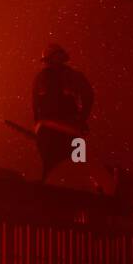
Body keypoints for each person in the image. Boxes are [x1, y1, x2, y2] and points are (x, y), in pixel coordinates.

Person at [32, 43, 94, 181]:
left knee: (77, 169)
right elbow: (35, 104)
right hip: (53, 130)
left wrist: (81, 120)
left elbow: (88, 96)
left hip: (69, 129)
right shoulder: (40, 78)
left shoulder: (72, 76)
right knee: (51, 169)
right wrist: (38, 125)